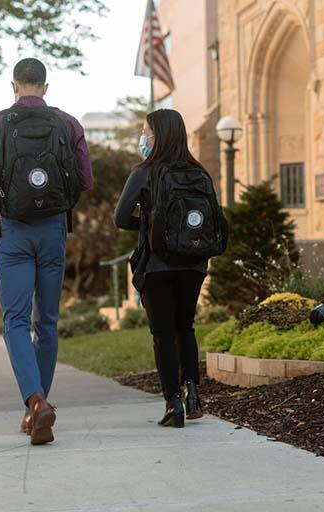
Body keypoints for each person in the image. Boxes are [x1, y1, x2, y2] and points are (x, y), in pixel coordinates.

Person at [0, 58, 93, 445]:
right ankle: (37, 406)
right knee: (48, 322)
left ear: (14, 86)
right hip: (54, 228)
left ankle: (36, 402)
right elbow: (86, 180)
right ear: (45, 86)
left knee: (15, 322)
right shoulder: (67, 123)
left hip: (14, 233)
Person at [114, 109, 227, 428]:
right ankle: (193, 393)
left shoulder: (145, 173)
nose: (142, 137)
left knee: (163, 334)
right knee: (185, 328)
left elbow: (121, 218)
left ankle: (173, 404)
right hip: (193, 264)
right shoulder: (200, 173)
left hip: (158, 265)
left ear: (158, 136)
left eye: (145, 131)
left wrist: (149, 225)